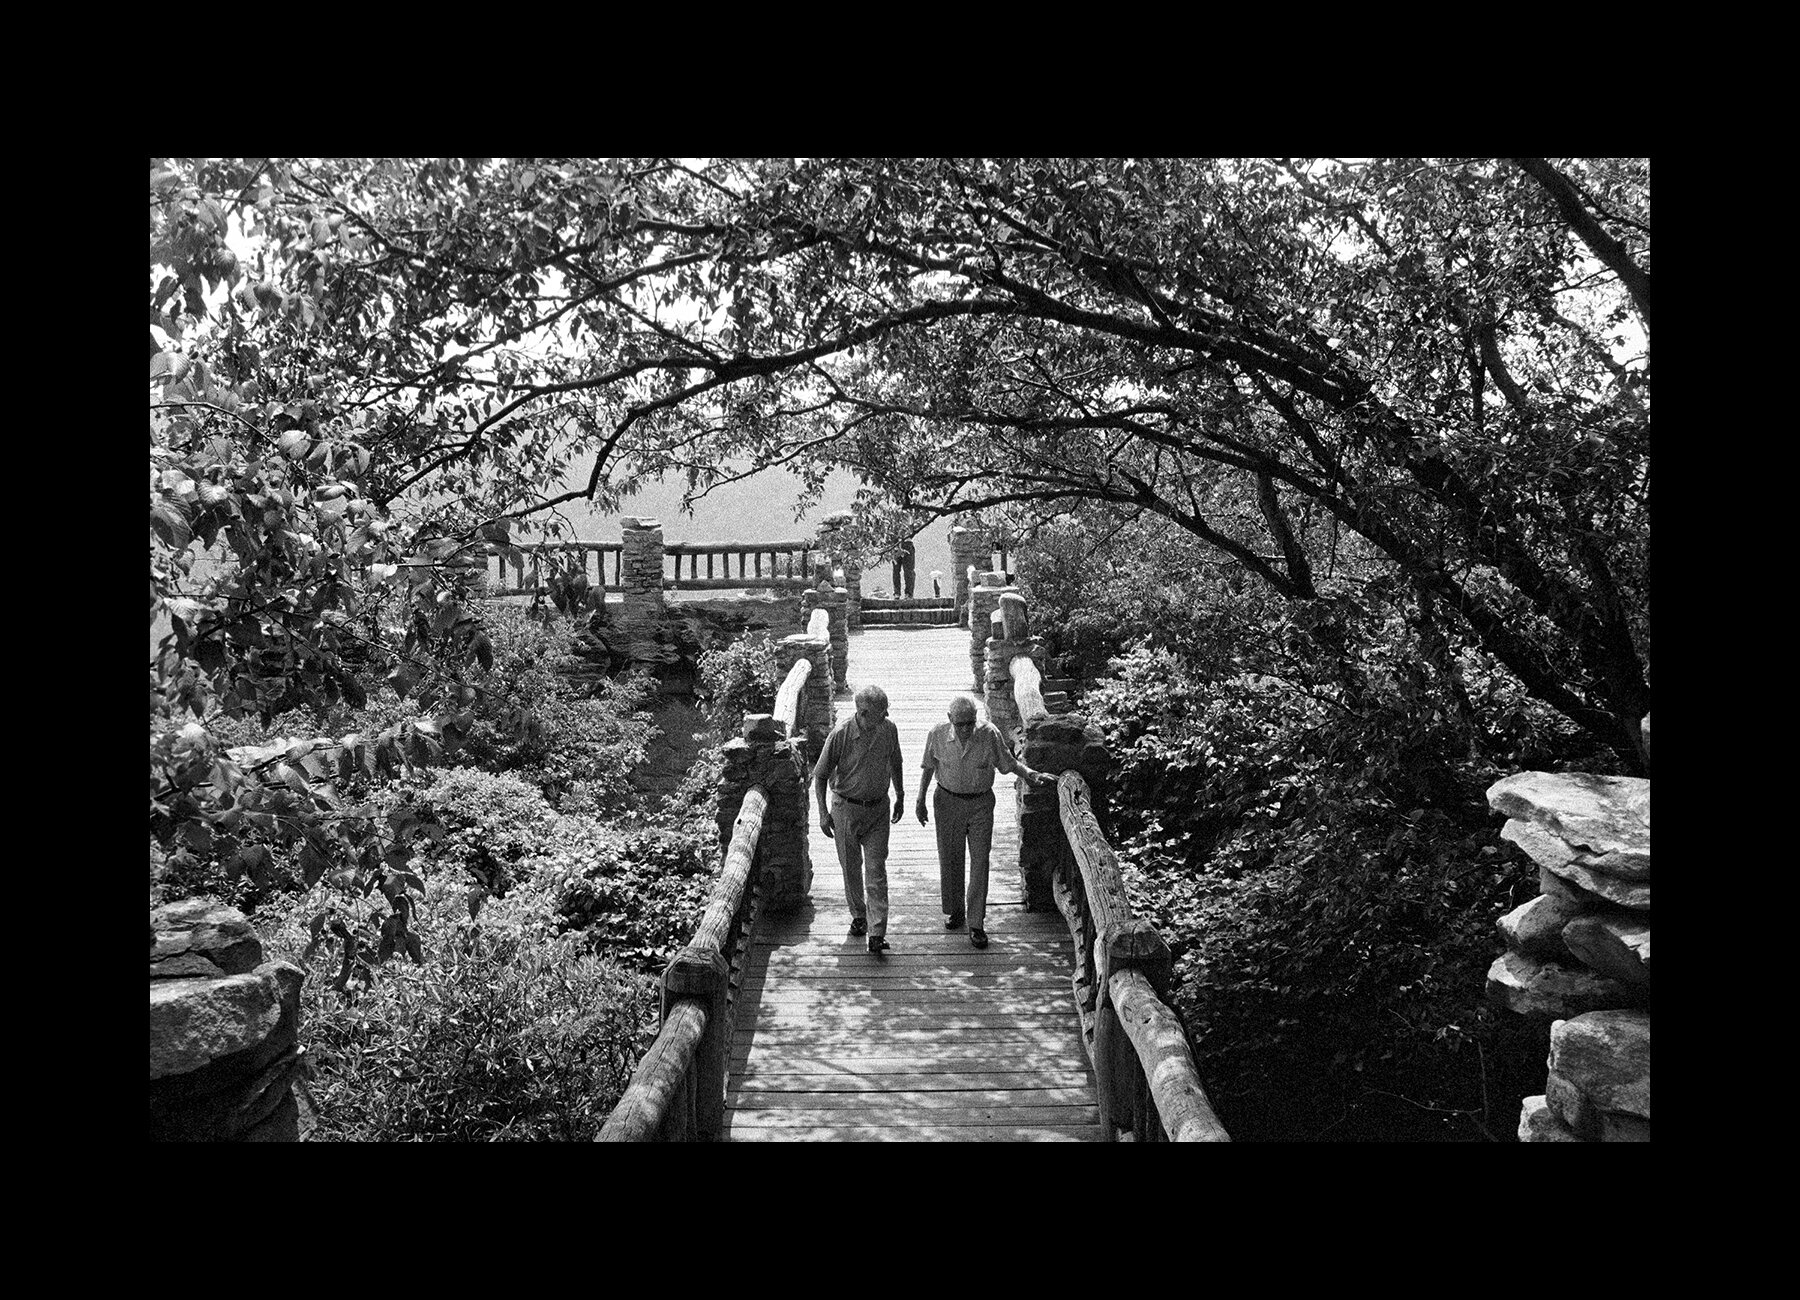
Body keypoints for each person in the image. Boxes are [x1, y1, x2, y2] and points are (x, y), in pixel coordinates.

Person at [915, 695, 1055, 948]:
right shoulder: (937, 734)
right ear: (950, 720)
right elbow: (928, 766)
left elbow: (1008, 764)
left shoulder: (989, 734)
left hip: (980, 804)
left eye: (970, 722)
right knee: (950, 858)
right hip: (947, 802)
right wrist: (919, 799)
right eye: (961, 724)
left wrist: (1030, 774)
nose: (967, 728)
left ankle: (976, 922)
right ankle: (955, 910)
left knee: (980, 860)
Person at [814, 683, 906, 955]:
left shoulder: (888, 730)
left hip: (878, 810)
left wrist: (900, 794)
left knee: (876, 871)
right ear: (863, 713)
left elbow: (896, 761)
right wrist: (822, 812)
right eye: (882, 712)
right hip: (846, 810)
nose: (887, 716)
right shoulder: (841, 734)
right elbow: (820, 776)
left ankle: (877, 932)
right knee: (851, 868)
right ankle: (858, 915)